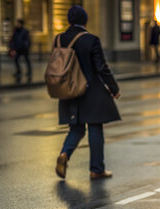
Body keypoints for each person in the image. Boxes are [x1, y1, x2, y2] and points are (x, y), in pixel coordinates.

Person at [55, 5, 121, 180]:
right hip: (90, 91)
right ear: (85, 20)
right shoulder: (91, 40)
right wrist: (113, 88)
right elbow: (101, 68)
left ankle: (64, 155)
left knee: (76, 129)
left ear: (69, 20)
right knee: (95, 129)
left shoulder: (59, 39)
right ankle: (96, 169)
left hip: (68, 90)